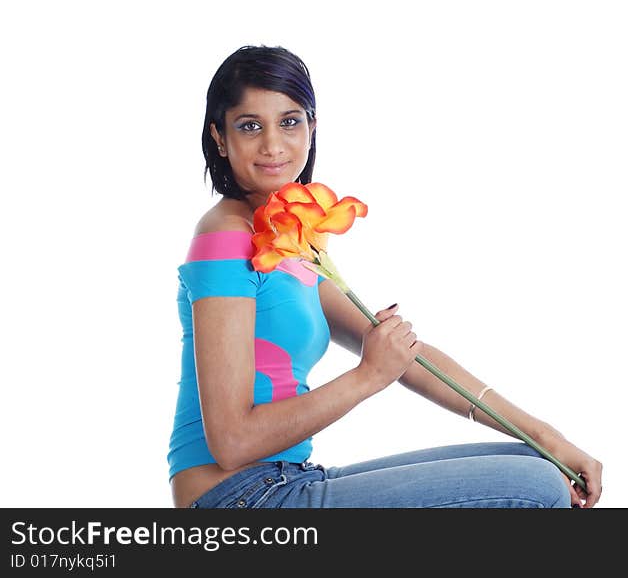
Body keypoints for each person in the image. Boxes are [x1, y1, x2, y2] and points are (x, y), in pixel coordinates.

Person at [167, 45, 603, 509]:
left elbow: (409, 359)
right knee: (537, 490)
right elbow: (231, 442)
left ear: (312, 127)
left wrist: (547, 436)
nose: (273, 144)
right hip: (239, 502)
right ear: (219, 136)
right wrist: (367, 376)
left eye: (289, 121)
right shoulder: (225, 236)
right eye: (249, 126)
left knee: (541, 465)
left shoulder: (289, 240)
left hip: (286, 479)